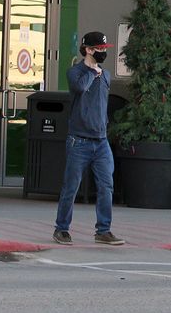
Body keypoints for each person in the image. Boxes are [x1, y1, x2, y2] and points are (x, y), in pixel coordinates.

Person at [53, 31, 124, 246]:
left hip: (101, 141)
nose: (103, 52)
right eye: (99, 49)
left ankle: (103, 230)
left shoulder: (106, 75)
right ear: (89, 50)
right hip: (79, 141)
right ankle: (61, 229)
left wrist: (99, 72)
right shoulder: (75, 72)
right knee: (71, 187)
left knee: (106, 185)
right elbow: (80, 87)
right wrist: (93, 71)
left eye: (104, 49)